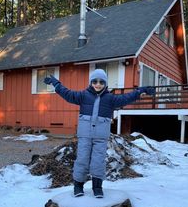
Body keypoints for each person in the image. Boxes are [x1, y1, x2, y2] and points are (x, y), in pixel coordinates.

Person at [44, 69, 155, 198]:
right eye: (95, 81)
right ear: (91, 82)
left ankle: (97, 187)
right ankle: (78, 185)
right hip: (85, 135)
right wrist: (56, 84)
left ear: (105, 83)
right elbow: (68, 94)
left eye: (101, 82)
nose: (98, 84)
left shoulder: (110, 99)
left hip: (100, 137)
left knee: (99, 161)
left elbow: (126, 98)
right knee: (82, 160)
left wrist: (140, 91)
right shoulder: (83, 95)